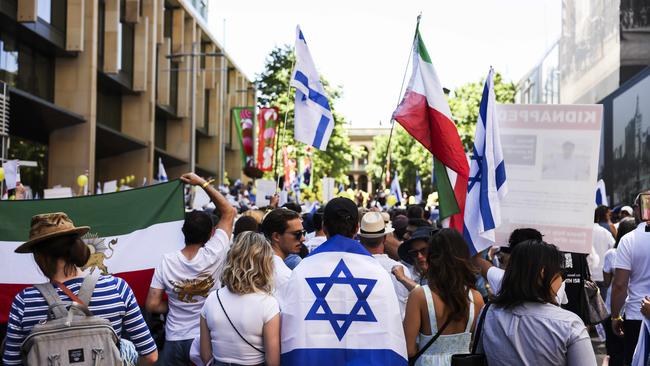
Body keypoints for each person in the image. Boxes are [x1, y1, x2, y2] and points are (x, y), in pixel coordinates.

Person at [3, 212, 158, 365]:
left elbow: (11, 362)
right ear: (77, 247)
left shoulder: (24, 302)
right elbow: (150, 356)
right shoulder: (117, 288)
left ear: (40, 257)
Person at [145, 173, 236, 365]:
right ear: (211, 234)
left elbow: (152, 305)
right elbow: (228, 211)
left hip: (174, 339)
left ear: (183, 231)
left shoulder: (166, 261)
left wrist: (176, 304)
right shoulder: (215, 252)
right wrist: (202, 182)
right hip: (206, 339)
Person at [478, 240, 597, 365]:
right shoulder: (569, 324)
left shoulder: (488, 313)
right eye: (560, 274)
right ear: (543, 273)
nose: (562, 280)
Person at [404, 229, 484, 366]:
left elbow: (409, 349)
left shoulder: (419, 296)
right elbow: (477, 344)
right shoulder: (476, 298)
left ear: (432, 257)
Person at [199, 232, 280, 366]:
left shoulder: (212, 299)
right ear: (265, 264)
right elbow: (273, 362)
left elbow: (205, 355)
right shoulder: (268, 304)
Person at [612, 192, 650, 365]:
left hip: (636, 314)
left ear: (637, 209)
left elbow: (620, 284)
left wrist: (615, 317)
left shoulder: (628, 240)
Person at [358, 212, 414, 319]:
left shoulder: (351, 269)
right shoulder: (403, 271)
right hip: (396, 331)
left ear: (360, 239)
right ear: (384, 239)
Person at [603, 218, 637, 366]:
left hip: (613, 306)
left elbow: (607, 282)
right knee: (632, 351)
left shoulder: (610, 254)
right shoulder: (641, 248)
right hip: (635, 307)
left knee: (614, 349)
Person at [473, 228, 543, 296]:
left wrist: (484, 236)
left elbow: (476, 260)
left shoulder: (502, 280)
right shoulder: (548, 286)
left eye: (501, 259)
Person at [260, 208, 305, 292]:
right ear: (276, 236)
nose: (303, 238)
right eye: (297, 234)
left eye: (303, 233)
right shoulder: (285, 278)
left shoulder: (258, 263)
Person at [592, 206, 616, 298]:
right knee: (603, 306)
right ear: (597, 217)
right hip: (603, 274)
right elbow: (614, 247)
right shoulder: (605, 232)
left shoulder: (584, 233)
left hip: (589, 276)